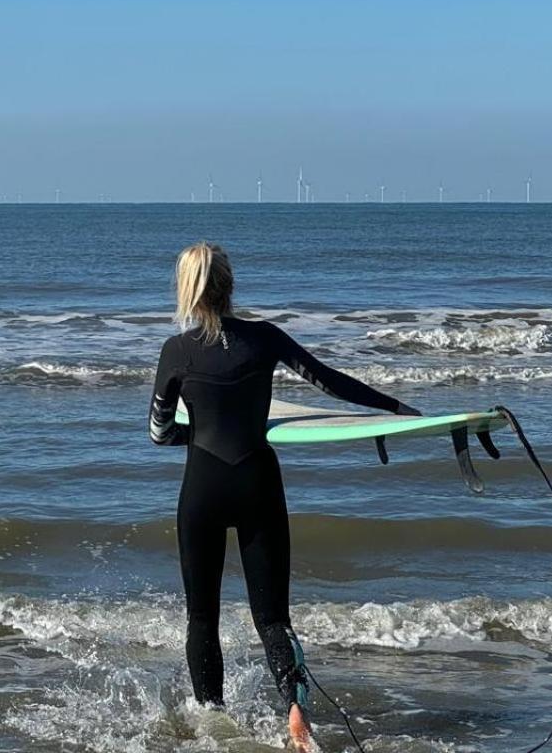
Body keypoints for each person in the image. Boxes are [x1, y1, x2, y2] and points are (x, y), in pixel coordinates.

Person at [148, 242, 419, 749]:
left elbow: (158, 433)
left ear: (187, 290)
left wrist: (197, 431)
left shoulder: (176, 351)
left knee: (202, 616)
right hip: (258, 485)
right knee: (273, 617)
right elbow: (330, 382)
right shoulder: (266, 339)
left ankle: (213, 724)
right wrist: (393, 406)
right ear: (230, 286)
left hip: (202, 488)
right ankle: (295, 711)